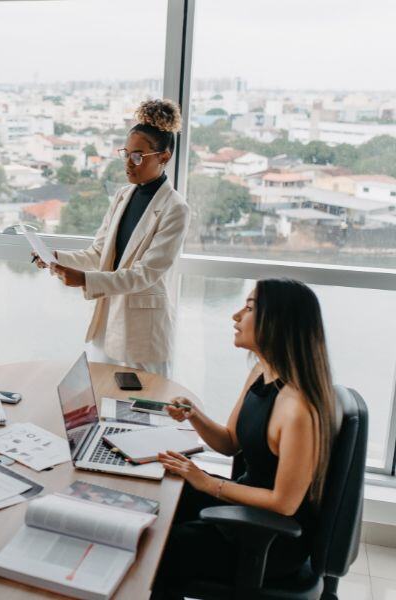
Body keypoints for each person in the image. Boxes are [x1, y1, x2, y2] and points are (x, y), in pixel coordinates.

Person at [152, 278, 338, 596]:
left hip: (269, 540)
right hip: (244, 504)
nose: (236, 316)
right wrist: (193, 414)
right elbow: (228, 442)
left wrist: (209, 483)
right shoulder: (261, 372)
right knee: (161, 496)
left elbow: (284, 503)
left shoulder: (297, 409)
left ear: (277, 323)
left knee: (159, 550)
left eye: (249, 308)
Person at [34, 99, 189, 377]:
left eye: (138, 156)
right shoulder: (123, 195)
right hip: (107, 324)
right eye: (126, 154)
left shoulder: (175, 209)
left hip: (144, 334)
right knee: (102, 398)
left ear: (164, 157)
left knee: (144, 410)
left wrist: (84, 279)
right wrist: (55, 257)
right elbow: (98, 254)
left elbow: (144, 275)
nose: (129, 163)